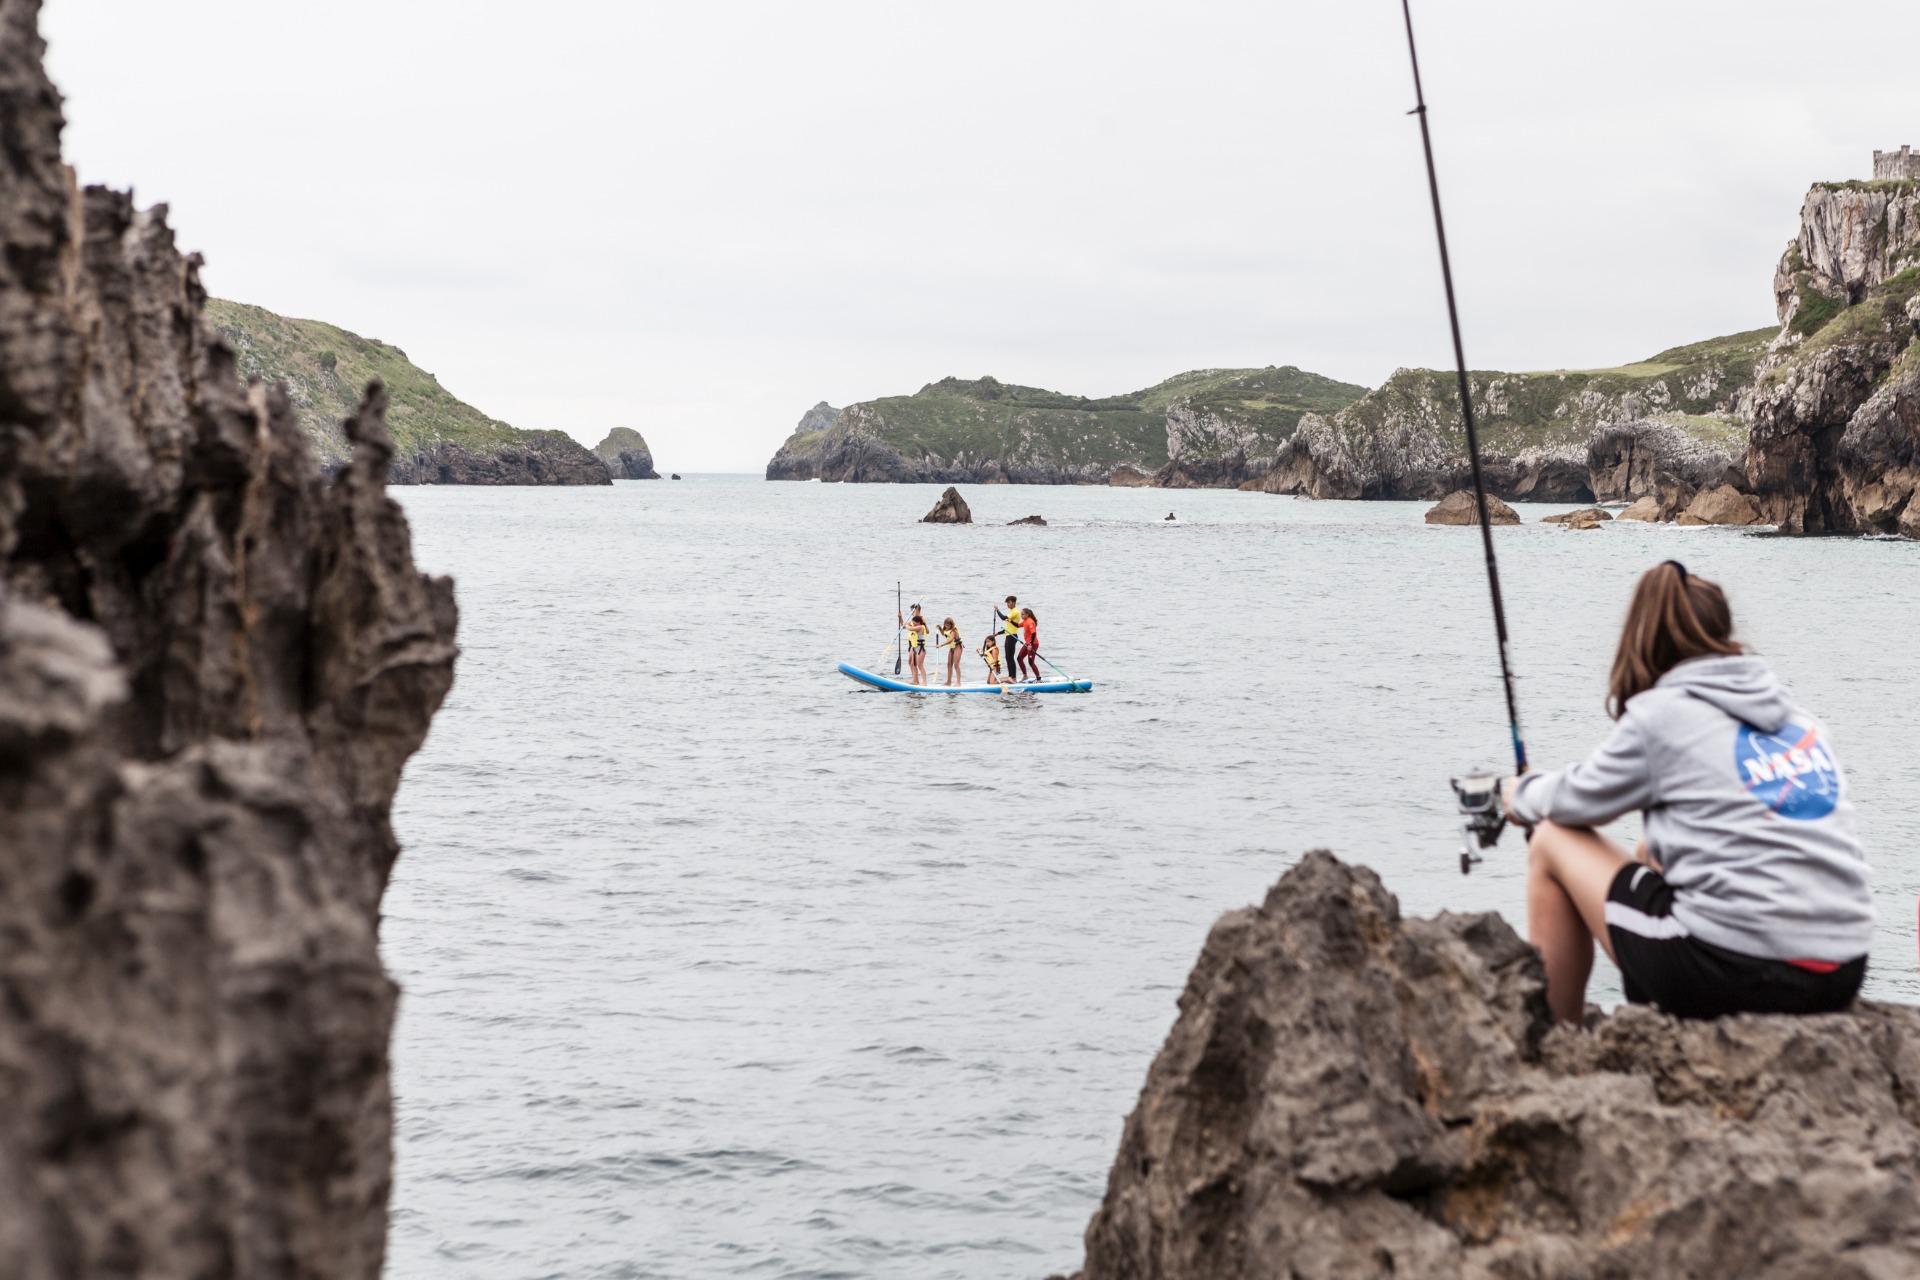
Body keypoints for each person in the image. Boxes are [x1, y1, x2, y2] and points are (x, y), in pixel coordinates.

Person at [1504, 560, 1872, 1025]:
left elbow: (1574, 801)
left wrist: (1517, 794)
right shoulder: (1802, 722)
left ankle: (1555, 1045)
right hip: (1842, 971)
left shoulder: (1662, 714)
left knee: (1550, 840)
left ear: (1646, 645)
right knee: (1647, 851)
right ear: (1724, 637)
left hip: (1738, 970)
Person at [897, 603, 930, 685]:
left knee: (919, 664)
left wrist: (919, 626)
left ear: (917, 610)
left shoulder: (921, 621)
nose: (911, 612)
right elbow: (903, 625)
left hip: (919, 645)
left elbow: (927, 631)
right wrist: (900, 617)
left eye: (912, 611)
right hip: (913, 644)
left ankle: (922, 682)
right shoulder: (912, 620)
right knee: (911, 663)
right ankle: (915, 680)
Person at [995, 595, 1023, 677]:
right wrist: (997, 633)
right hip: (1008, 636)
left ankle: (1013, 676)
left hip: (1012, 637)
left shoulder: (1015, 612)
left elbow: (1003, 618)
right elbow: (1008, 629)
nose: (1008, 604)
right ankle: (1010, 675)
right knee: (1007, 657)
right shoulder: (1011, 612)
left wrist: (997, 610)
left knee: (1010, 657)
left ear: (1014, 603)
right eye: (1007, 603)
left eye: (1009, 602)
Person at [934, 617, 964, 687]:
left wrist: (941, 645)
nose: (947, 626)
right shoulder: (946, 629)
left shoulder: (953, 630)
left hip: (957, 647)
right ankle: (949, 682)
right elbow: (943, 633)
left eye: (948, 625)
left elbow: (950, 640)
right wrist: (940, 628)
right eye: (945, 625)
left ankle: (958, 682)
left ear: (951, 625)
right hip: (951, 648)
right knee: (949, 665)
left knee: (956, 665)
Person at [1017, 606, 1040, 682]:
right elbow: (1017, 625)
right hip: (1027, 644)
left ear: (1027, 614)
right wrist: (1010, 621)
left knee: (1031, 662)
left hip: (1033, 644)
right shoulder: (1025, 621)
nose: (1021, 616)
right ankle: (1025, 676)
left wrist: (1030, 644)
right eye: (1021, 614)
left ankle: (1038, 678)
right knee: (1019, 658)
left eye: (1023, 614)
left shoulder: (1029, 621)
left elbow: (1034, 634)